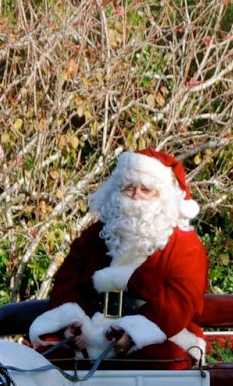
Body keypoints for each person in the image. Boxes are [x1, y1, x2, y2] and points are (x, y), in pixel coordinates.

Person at [29, 149, 209, 363]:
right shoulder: (94, 236)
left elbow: (180, 299)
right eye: (129, 187)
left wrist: (133, 334)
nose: (136, 195)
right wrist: (74, 325)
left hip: (157, 329)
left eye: (146, 190)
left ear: (164, 197)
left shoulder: (184, 243)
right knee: (43, 359)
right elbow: (67, 283)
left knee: (162, 359)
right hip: (91, 328)